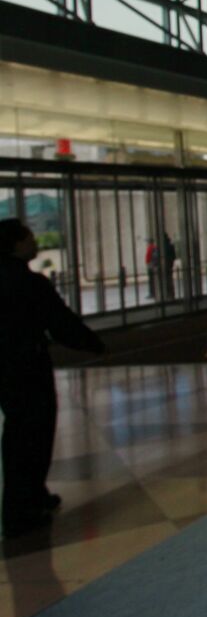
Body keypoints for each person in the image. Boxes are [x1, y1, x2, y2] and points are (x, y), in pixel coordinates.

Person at [0, 219, 105, 538]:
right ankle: (22, 509)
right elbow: (61, 323)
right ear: (17, 244)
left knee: (17, 431)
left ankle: (31, 496)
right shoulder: (30, 282)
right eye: (29, 237)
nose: (35, 242)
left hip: (3, 369)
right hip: (28, 366)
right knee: (35, 432)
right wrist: (93, 344)